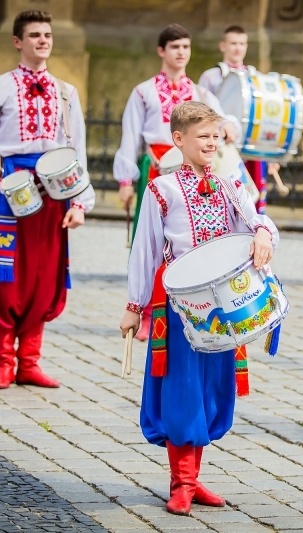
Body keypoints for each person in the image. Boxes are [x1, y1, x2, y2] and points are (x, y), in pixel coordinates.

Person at [119, 101, 278, 515]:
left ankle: (193, 477)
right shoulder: (161, 190)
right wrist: (135, 305)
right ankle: (182, 482)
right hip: (180, 306)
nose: (211, 142)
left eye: (215, 135)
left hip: (222, 305)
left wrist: (262, 234)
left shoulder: (229, 186)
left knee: (212, 387)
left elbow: (257, 219)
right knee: (183, 388)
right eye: (202, 136)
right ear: (179, 139)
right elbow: (146, 249)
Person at [0, 10, 95, 389]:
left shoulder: (67, 93)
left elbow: (77, 151)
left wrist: (79, 203)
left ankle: (30, 362)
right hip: (9, 190)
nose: (43, 40)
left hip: (53, 194)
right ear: (17, 41)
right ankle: (5, 360)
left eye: (47, 34)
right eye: (34, 34)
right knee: (6, 274)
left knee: (43, 275)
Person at [114, 23, 240, 341]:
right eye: (175, 47)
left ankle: (188, 306)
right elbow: (130, 136)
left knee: (183, 241)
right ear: (162, 51)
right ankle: (145, 311)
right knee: (150, 242)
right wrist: (126, 179)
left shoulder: (200, 92)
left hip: (191, 173)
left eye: (186, 46)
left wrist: (228, 128)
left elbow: (223, 120)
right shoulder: (143, 92)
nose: (181, 52)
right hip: (156, 170)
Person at [198, 25, 280, 214]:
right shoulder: (211, 77)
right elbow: (202, 113)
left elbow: (264, 117)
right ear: (223, 46)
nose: (238, 48)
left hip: (251, 150)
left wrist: (270, 152)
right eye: (233, 43)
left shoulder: (256, 78)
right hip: (222, 149)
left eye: (242, 43)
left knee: (253, 203)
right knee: (222, 203)